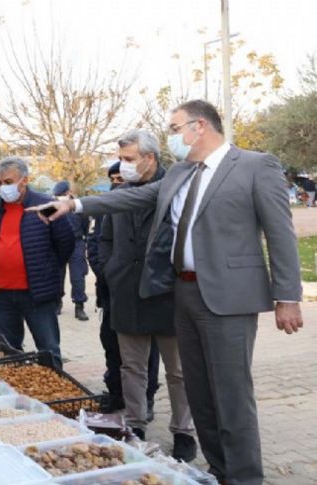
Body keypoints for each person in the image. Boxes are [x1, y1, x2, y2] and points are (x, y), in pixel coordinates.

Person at [40, 100, 303, 485]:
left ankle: (246, 478)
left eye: (175, 127)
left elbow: (281, 235)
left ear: (200, 127)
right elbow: (134, 197)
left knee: (231, 395)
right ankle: (220, 471)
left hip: (229, 298)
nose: (171, 135)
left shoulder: (253, 166)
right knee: (199, 392)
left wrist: (287, 297)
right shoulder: (181, 172)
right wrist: (75, 204)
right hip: (184, 294)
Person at [99, 129, 196, 460]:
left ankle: (183, 431)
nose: (123, 165)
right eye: (122, 158)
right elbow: (103, 239)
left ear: (150, 158)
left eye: (129, 159)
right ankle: (136, 424)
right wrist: (110, 269)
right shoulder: (119, 194)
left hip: (169, 293)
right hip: (126, 291)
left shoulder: (179, 188)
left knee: (180, 371)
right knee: (132, 367)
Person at [0, 157, 74, 369]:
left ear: (24, 180)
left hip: (37, 293)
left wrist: (47, 269)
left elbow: (66, 243)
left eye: (8, 181)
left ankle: (56, 393)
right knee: (9, 351)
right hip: (2, 293)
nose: (3, 187)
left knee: (48, 349)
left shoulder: (47, 205)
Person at [87, 164, 162, 418]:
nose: (118, 182)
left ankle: (146, 398)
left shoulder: (153, 197)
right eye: (114, 178)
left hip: (147, 289)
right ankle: (117, 392)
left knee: (146, 353)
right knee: (112, 344)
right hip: (113, 290)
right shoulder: (108, 205)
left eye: (121, 177)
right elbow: (98, 242)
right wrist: (108, 270)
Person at [52, 181, 89, 321]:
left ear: (68, 192)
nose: (60, 197)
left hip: (76, 243)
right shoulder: (52, 206)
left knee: (78, 277)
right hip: (58, 245)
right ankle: (57, 303)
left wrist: (82, 242)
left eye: (62, 195)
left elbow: (85, 226)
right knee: (57, 275)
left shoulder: (78, 206)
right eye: (57, 195)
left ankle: (79, 306)